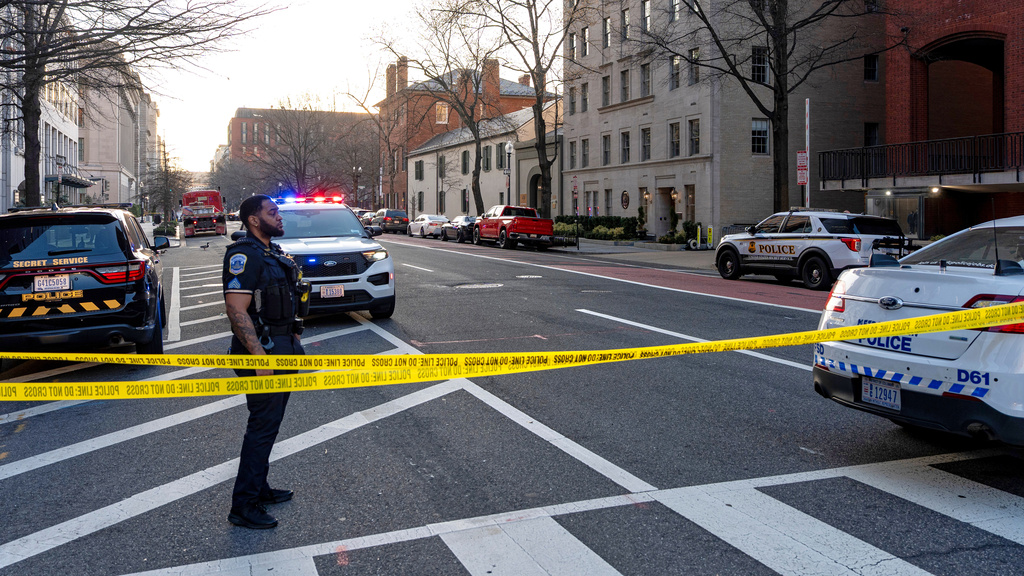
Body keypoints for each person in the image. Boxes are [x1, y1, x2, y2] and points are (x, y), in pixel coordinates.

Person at [222, 194, 308, 529]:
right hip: (263, 354)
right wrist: (259, 355)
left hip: (282, 348)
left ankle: (259, 487)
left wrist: (295, 338)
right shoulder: (244, 254)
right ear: (254, 219)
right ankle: (243, 505)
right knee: (261, 427)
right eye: (273, 213)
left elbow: (290, 299)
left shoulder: (272, 254)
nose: (280, 217)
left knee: (269, 425)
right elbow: (236, 308)